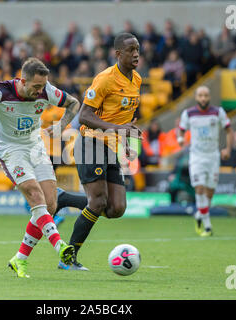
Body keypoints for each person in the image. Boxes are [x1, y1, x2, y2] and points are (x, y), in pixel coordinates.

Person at [0, 57, 80, 278]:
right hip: (11, 152)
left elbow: (74, 103)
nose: (41, 91)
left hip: (36, 148)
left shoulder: (46, 90)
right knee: (34, 194)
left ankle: (19, 259)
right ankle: (60, 246)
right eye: (36, 87)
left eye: (43, 86)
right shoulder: (0, 92)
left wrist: (61, 125)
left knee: (49, 206)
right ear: (23, 80)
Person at [64, 33, 142, 270]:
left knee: (116, 208)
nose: (136, 54)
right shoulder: (105, 79)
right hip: (90, 142)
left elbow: (123, 117)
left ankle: (63, 199)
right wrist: (119, 128)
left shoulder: (137, 79)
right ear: (118, 54)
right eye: (130, 50)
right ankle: (68, 258)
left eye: (138, 49)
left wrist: (125, 140)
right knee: (98, 202)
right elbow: (85, 116)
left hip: (111, 146)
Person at [178, 86, 233, 237]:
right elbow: (181, 130)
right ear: (196, 97)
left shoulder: (218, 112)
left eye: (206, 95)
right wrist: (180, 139)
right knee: (199, 188)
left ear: (209, 97)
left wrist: (228, 149)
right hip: (196, 156)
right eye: (200, 95)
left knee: (210, 192)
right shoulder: (188, 113)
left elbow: (229, 130)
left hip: (213, 156)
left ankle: (199, 215)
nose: (203, 98)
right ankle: (208, 226)